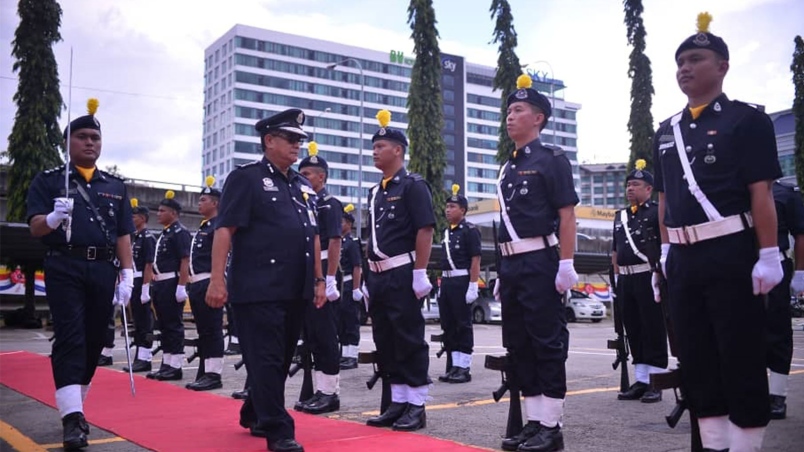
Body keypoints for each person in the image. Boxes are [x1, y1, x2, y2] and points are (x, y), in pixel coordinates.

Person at [651, 13, 783, 451]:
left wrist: (768, 255)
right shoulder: (665, 131)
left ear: (722, 65)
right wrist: (667, 250)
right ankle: (714, 445)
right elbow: (665, 199)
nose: (684, 68)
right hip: (685, 258)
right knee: (698, 359)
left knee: (740, 355)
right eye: (679, 62)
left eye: (695, 59)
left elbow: (760, 193)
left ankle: (746, 446)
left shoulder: (747, 121)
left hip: (731, 251)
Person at [206, 108, 325, 452]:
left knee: (282, 356)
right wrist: (217, 279)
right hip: (258, 288)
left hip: (295, 287)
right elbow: (225, 229)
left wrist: (319, 279)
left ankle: (255, 411)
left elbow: (313, 235)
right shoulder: (247, 178)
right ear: (269, 140)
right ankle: (278, 429)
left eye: (299, 139)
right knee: (268, 358)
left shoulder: (302, 185)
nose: (297, 145)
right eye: (290, 139)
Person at [26, 98, 135, 450]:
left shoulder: (116, 186)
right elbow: (35, 228)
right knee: (71, 337)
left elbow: (122, 233)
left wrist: (129, 274)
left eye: (95, 138)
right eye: (83, 137)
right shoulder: (49, 181)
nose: (90, 143)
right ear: (68, 142)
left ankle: (77, 404)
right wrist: (53, 219)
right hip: (65, 265)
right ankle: (72, 418)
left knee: (94, 341)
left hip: (103, 268)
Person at [495, 74, 579, 452]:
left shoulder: (552, 159)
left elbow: (567, 216)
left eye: (519, 110)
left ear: (539, 118)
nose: (510, 117)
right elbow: (505, 225)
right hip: (512, 266)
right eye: (509, 110)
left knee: (546, 342)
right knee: (519, 343)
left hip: (542, 261)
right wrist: (501, 269)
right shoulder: (507, 167)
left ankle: (552, 425)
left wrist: (566, 263)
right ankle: (533, 421)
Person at [363, 109, 434, 432]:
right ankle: (398, 402)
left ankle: (416, 405)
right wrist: (366, 278)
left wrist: (420, 272)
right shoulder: (375, 192)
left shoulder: (413, 185)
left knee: (408, 338)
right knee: (386, 339)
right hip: (378, 275)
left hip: (403, 271)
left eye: (382, 146)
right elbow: (372, 238)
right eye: (374, 146)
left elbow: (425, 230)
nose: (375, 151)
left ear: (398, 150)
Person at [611, 159, 667, 403]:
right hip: (626, 278)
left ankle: (657, 380)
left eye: (636, 184)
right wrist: (615, 276)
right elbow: (616, 250)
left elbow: (664, 244)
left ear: (649, 189)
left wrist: (660, 273)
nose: (630, 188)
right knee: (633, 327)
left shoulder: (656, 212)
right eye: (628, 185)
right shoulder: (620, 216)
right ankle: (642, 379)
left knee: (652, 327)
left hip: (648, 274)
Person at [295, 142, 343, 414]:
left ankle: (330, 392)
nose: (303, 178)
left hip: (324, 270)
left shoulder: (329, 204)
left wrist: (331, 277)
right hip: (307, 272)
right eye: (300, 174)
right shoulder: (304, 204)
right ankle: (316, 390)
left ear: (321, 177)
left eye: (308, 174)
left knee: (325, 335)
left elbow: (334, 241)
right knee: (310, 336)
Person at [437, 184, 481, 384]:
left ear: (462, 210)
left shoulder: (469, 231)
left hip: (462, 280)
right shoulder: (447, 232)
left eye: (452, 206)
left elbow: (475, 260)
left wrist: (473, 285)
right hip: (447, 281)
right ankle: (454, 366)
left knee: (463, 325)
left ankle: (464, 367)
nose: (448, 210)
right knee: (449, 325)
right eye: (447, 206)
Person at [767, 179, 804, 419]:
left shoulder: (785, 192)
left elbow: (800, 234)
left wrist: (800, 273)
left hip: (776, 265)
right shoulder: (735, 187)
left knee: (777, 332)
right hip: (738, 267)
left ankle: (777, 396)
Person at [145, 190, 191, 381]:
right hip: (161, 283)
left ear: (173, 213)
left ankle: (176, 365)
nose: (158, 214)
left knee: (173, 325)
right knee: (163, 325)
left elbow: (185, 260)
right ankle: (167, 363)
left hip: (172, 282)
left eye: (162, 211)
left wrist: (181, 286)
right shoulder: (166, 233)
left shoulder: (180, 232)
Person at [186, 176, 225, 391]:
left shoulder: (219, 226)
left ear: (215, 203)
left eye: (203, 200)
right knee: (204, 329)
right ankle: (205, 369)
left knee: (212, 328)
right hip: (197, 283)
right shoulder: (205, 226)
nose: (199, 203)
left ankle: (214, 373)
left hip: (211, 280)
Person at [123, 198, 156, 373]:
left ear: (143, 218)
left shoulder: (147, 237)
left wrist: (145, 288)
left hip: (143, 281)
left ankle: (145, 358)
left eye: (134, 216)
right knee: (137, 321)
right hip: (134, 281)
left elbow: (149, 264)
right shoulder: (134, 237)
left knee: (144, 322)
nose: (131, 219)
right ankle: (139, 357)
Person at [338, 204, 363, 370]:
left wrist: (356, 288)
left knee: (351, 321)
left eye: (341, 222)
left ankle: (352, 356)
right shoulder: (338, 241)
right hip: (339, 284)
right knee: (341, 321)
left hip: (348, 283)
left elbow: (357, 266)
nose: (339, 225)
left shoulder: (352, 243)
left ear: (349, 224)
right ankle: (344, 354)